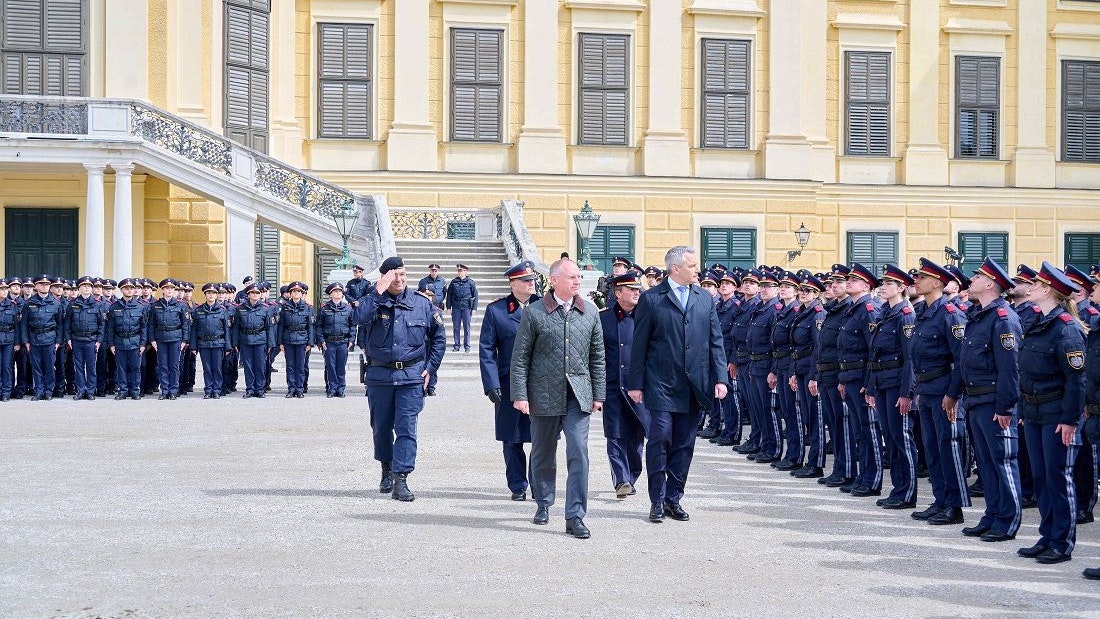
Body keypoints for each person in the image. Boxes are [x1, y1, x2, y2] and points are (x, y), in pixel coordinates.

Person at [628, 246, 728, 524]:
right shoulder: (651, 299)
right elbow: (640, 345)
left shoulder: (704, 298)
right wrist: (635, 383)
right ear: (675, 269)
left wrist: (720, 378)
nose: (698, 270)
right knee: (659, 439)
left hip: (695, 384)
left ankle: (674, 498)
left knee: (685, 444)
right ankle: (657, 500)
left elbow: (715, 341)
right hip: (660, 383)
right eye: (692, 266)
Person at [510, 258, 605, 538]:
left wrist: (598, 393)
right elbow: (520, 358)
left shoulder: (590, 313)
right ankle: (543, 502)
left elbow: (598, 357)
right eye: (572, 277)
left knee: (578, 452)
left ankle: (575, 515)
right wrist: (520, 394)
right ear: (554, 281)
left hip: (578, 395)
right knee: (542, 453)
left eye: (578, 277)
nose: (577, 281)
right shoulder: (535, 312)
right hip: (543, 394)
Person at [355, 257, 447, 502]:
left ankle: (401, 478)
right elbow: (359, 318)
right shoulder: (372, 301)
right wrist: (377, 291)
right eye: (394, 275)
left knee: (407, 429)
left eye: (403, 274)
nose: (399, 279)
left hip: (411, 377)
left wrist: (431, 368)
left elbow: (439, 338)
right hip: (380, 376)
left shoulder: (421, 304)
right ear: (384, 277)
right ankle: (386, 468)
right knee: (381, 427)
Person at [1015, 262, 1086, 565]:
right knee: (1041, 477)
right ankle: (1047, 535)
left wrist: (1070, 420)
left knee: (1058, 477)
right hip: (1034, 411)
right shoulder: (1037, 322)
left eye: (1035, 284)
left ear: (1048, 290)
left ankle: (1062, 542)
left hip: (1057, 413)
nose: (1029, 287)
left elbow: (1077, 380)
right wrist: (1022, 409)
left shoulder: (1066, 328)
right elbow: (1025, 371)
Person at [956, 258, 1024, 543]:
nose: (971, 282)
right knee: (985, 463)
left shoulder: (1003, 318)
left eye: (977, 278)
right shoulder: (978, 315)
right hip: (975, 399)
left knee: (1002, 461)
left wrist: (1005, 407)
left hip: (994, 402)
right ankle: (992, 515)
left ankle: (1007, 520)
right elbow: (965, 361)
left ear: (991, 284)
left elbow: (1011, 368)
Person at [909, 258, 970, 525]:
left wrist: (953, 394)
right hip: (927, 388)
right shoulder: (924, 312)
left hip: (944, 390)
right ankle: (940, 499)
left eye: (922, 278)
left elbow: (961, 359)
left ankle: (954, 506)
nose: (916, 281)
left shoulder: (950, 314)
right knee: (932, 449)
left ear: (937, 283)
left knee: (948, 447)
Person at [479, 261, 540, 501]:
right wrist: (491, 383)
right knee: (512, 437)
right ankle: (517, 485)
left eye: (532, 280)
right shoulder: (497, 311)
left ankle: (538, 484)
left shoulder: (546, 307)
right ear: (512, 284)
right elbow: (486, 349)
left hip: (541, 384)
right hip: (509, 384)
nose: (531, 284)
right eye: (525, 281)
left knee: (541, 438)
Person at [866, 265, 917, 509]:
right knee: (890, 438)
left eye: (888, 284)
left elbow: (910, 358)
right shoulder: (884, 312)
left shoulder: (905, 314)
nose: (883, 287)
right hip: (883, 383)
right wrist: (872, 388)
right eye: (882, 284)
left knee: (901, 438)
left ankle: (907, 493)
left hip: (897, 385)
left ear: (901, 288)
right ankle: (898, 489)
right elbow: (875, 355)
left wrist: (907, 393)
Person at [600, 271, 650, 499]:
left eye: (637, 288)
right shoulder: (604, 318)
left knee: (636, 435)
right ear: (618, 293)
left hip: (639, 387)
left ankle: (632, 474)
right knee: (615, 434)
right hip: (611, 387)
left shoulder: (647, 317)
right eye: (631, 289)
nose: (636, 292)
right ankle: (621, 479)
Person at [837, 263, 883, 497]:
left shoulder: (869, 309)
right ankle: (863, 476)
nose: (848, 283)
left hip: (863, 377)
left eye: (854, 280)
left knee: (869, 429)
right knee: (859, 430)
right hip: (851, 376)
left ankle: (872, 480)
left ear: (866, 285)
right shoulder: (853, 309)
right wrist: (843, 378)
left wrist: (870, 383)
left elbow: (873, 350)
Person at [790, 273, 826, 478]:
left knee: (814, 417)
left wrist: (814, 376)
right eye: (801, 290)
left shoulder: (818, 313)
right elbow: (796, 345)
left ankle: (816, 462)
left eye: (808, 291)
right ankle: (809, 460)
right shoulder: (802, 312)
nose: (803, 293)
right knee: (806, 415)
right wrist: (795, 372)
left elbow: (817, 347)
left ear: (816, 293)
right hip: (801, 368)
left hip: (811, 370)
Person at [20, 274, 65, 401]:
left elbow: (60, 324)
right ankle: (38, 390)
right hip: (34, 339)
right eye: (41, 284)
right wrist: (26, 341)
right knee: (36, 367)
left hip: (50, 339)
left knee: (50, 367)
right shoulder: (29, 303)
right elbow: (24, 324)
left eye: (46, 284)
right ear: (36, 286)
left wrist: (58, 341)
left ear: (49, 286)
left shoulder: (56, 304)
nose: (44, 286)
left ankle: (48, 391)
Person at [146, 279, 192, 400]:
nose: (170, 290)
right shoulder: (155, 306)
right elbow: (151, 325)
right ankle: (164, 390)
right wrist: (152, 340)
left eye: (172, 288)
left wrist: (184, 341)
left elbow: (185, 324)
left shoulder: (181, 305)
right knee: (162, 366)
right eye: (167, 288)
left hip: (176, 338)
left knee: (174, 366)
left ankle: (173, 390)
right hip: (160, 339)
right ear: (163, 290)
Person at [105, 279, 150, 400]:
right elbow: (110, 328)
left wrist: (142, 344)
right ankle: (123, 391)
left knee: (135, 368)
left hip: (135, 341)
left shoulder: (141, 307)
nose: (129, 290)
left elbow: (144, 327)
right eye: (126, 288)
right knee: (121, 368)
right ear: (121, 290)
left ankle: (135, 390)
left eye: (131, 288)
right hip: (119, 342)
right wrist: (111, 344)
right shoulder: (114, 307)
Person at [65, 276, 105, 400]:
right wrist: (69, 339)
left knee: (91, 367)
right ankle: (81, 390)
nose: (87, 288)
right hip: (76, 340)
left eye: (89, 286)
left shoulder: (98, 305)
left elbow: (101, 325)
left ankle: (90, 391)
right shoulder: (72, 304)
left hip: (91, 340)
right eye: (84, 286)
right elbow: (67, 324)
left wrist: (98, 341)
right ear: (79, 288)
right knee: (79, 367)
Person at [190, 283, 232, 399]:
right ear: (205, 294)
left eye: (213, 293)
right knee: (207, 368)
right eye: (209, 293)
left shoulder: (222, 311)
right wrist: (193, 347)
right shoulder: (198, 311)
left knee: (217, 368)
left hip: (218, 343)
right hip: (203, 344)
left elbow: (226, 330)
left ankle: (217, 390)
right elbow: (194, 330)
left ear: (216, 295)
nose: (211, 295)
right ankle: (208, 390)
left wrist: (228, 346)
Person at [233, 283, 275, 398]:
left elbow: (269, 327)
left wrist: (270, 343)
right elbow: (236, 326)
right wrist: (235, 342)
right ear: (248, 294)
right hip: (245, 340)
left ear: (260, 294)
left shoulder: (265, 308)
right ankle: (250, 389)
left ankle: (259, 389)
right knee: (248, 366)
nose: (255, 295)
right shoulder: (240, 308)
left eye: (257, 293)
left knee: (260, 366)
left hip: (260, 341)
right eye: (252, 293)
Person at [316, 282, 357, 398]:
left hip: (343, 342)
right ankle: (332, 388)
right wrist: (321, 340)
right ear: (330, 294)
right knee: (330, 366)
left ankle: (341, 388)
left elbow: (352, 326)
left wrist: (351, 340)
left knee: (341, 366)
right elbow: (319, 326)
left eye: (340, 291)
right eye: (335, 291)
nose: (338, 293)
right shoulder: (324, 309)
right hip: (329, 342)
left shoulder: (348, 309)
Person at [277, 282, 314, 398]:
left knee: (300, 366)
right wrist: (280, 342)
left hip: (302, 340)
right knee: (290, 366)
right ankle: (291, 388)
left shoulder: (308, 307)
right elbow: (281, 325)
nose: (296, 293)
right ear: (290, 294)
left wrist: (310, 343)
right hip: (288, 339)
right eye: (293, 291)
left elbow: (310, 327)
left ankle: (300, 389)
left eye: (298, 291)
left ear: (301, 293)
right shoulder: (285, 307)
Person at [444, 264, 478, 352]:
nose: (460, 272)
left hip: (466, 307)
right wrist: (448, 307)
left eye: (462, 271)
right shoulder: (454, 282)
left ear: (466, 272)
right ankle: (456, 345)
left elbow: (475, 295)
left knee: (467, 327)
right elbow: (449, 295)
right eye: (459, 271)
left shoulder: (471, 282)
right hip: (456, 307)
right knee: (456, 327)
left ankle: (467, 346)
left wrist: (474, 308)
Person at [0, 280, 21, 401]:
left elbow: (17, 325)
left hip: (9, 339)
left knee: (7, 366)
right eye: (1, 289)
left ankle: (6, 392)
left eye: (5, 289)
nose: (4, 291)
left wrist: (17, 342)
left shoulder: (12, 305)